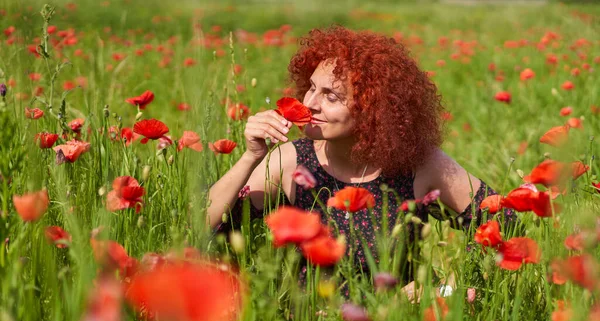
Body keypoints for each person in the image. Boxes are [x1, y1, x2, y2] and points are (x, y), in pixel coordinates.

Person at [206, 26, 516, 300]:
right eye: (312, 87)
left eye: (331, 95)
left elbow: (507, 226)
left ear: (373, 108)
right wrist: (251, 156)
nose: (310, 103)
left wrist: (446, 291)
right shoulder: (290, 160)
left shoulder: (418, 165)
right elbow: (205, 226)